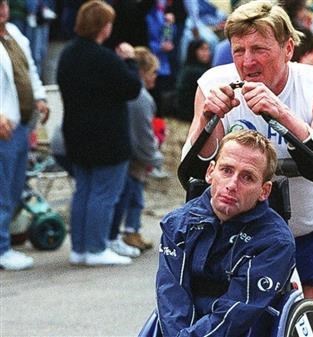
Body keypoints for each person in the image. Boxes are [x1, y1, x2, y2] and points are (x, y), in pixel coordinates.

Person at [183, 1, 313, 323]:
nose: (247, 61)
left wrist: (284, 115)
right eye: (238, 50)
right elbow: (193, 173)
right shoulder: (213, 84)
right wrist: (208, 120)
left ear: (288, 48)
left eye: (259, 49)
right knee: (240, 325)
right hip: (245, 231)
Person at [157, 130, 296, 336]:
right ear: (210, 172)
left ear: (264, 191)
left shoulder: (276, 242)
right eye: (227, 170)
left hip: (248, 326)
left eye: (247, 177)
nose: (232, 185)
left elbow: (238, 312)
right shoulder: (176, 224)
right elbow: (171, 295)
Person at [57, 0, 142, 266]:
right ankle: (95, 248)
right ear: (102, 27)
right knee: (104, 193)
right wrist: (130, 61)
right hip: (107, 138)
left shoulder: (68, 54)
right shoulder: (104, 58)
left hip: (76, 133)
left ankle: (80, 248)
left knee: (83, 191)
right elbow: (132, 88)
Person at [0, 0, 49, 270]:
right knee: (2, 193)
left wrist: (40, 97)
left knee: (15, 189)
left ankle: (5, 242)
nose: (3, 10)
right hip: (3, 127)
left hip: (20, 124)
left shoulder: (14, 34)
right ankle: (1, 248)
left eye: (4, 4)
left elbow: (29, 70)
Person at [108, 46, 164, 256]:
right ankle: (128, 232)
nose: (156, 77)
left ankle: (131, 230)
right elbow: (143, 136)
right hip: (133, 158)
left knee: (132, 196)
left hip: (131, 154)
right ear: (142, 72)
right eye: (153, 72)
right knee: (132, 196)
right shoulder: (141, 98)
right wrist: (156, 158)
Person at [175, 38, 211, 122]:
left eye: (207, 49)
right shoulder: (193, 71)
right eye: (202, 49)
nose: (207, 53)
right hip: (190, 112)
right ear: (193, 51)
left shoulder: (200, 68)